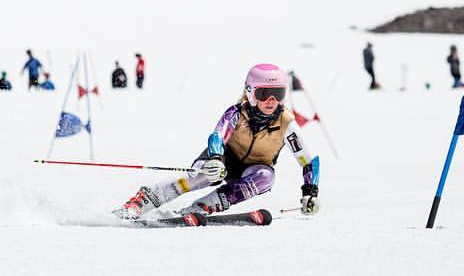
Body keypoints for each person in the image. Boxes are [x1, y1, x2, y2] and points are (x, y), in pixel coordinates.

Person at [116, 63, 319, 219]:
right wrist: (215, 158)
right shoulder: (237, 113)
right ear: (250, 92)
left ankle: (201, 207)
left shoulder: (287, 122)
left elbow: (308, 161)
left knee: (266, 177)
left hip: (252, 169)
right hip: (223, 159)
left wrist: (310, 191)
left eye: (278, 94)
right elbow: (218, 136)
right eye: (264, 94)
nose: (271, 101)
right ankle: (142, 202)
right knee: (207, 174)